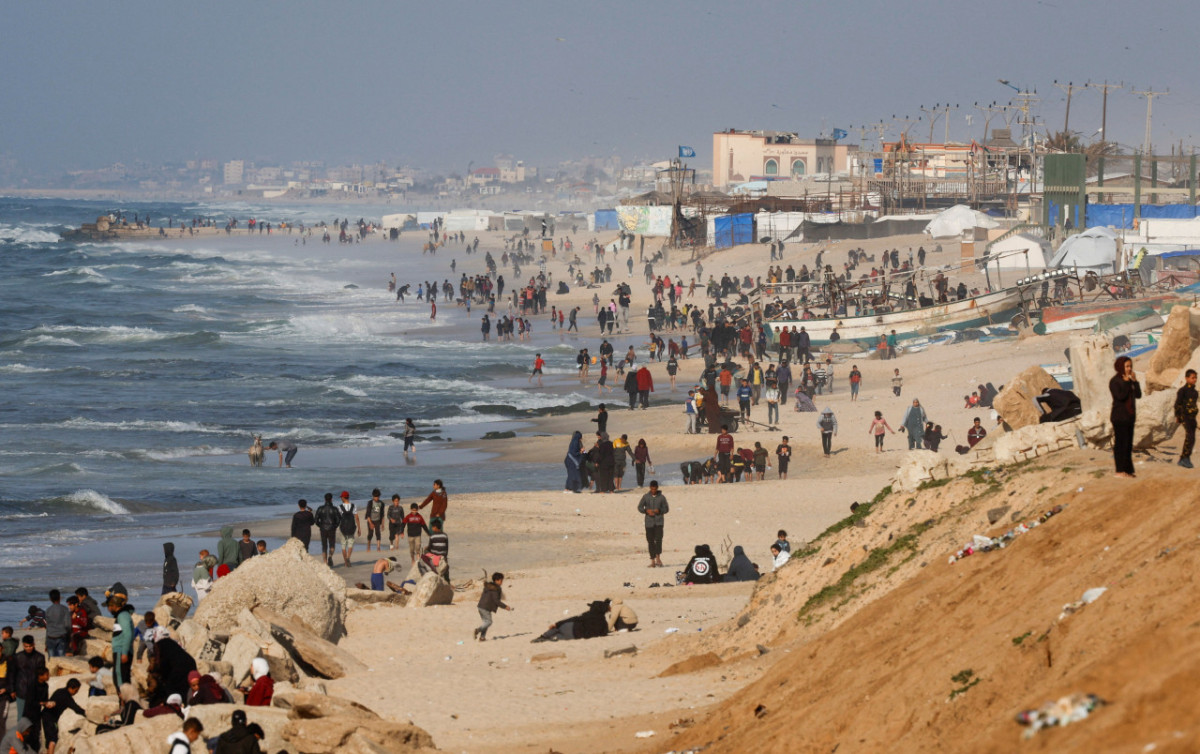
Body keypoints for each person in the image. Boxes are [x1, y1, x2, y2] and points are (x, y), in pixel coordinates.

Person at [1110, 355, 1141, 478]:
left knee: (1128, 444)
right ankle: (1119, 470)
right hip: (1119, 417)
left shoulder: (1129, 380)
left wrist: (1135, 382)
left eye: (1130, 366)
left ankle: (1128, 471)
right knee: (1121, 444)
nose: (1129, 369)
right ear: (1120, 367)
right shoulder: (1115, 381)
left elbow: (1138, 395)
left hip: (1129, 416)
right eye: (1127, 366)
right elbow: (1120, 397)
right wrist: (1128, 383)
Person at [532, 600, 610, 643]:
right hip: (576, 636)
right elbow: (604, 632)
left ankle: (543, 637)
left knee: (557, 628)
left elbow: (574, 619)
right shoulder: (603, 622)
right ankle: (549, 639)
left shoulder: (587, 615)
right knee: (559, 637)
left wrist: (557, 624)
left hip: (573, 628)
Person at [41, 677, 84, 754]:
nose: (76, 692)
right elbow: (77, 709)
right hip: (51, 718)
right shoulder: (67, 697)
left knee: (50, 739)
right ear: (71, 688)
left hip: (45, 716)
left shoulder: (59, 691)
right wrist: (87, 713)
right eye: (76, 690)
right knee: (53, 739)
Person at [106, 584, 134, 689]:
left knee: (119, 680)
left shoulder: (123, 616)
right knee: (123, 678)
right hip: (121, 651)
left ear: (115, 605)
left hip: (120, 651)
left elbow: (128, 634)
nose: (108, 609)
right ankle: (126, 703)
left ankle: (124, 703)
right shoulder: (123, 615)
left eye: (109, 606)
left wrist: (124, 653)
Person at [11, 636, 44, 721]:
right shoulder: (17, 657)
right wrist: (12, 690)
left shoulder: (40, 657)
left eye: (30, 646)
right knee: (21, 716)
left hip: (35, 692)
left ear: (34, 644)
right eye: (26, 646)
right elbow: (13, 674)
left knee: (35, 716)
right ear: (23, 645)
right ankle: (19, 734)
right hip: (21, 690)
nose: (28, 648)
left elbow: (41, 676)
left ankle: (34, 733)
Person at [637, 481, 668, 568]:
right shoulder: (646, 497)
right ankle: (652, 561)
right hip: (649, 523)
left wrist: (660, 511)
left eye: (655, 489)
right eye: (652, 489)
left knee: (658, 540)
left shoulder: (662, 497)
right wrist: (646, 511)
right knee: (650, 541)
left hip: (659, 522)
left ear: (657, 488)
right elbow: (639, 507)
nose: (653, 490)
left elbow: (666, 508)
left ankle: (658, 558)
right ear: (650, 488)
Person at [475, 572, 513, 642]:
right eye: (501, 580)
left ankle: (482, 638)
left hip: (481, 606)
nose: (502, 582)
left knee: (485, 623)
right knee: (489, 622)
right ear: (496, 580)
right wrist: (505, 607)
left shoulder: (488, 586)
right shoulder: (495, 589)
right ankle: (478, 630)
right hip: (485, 607)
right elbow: (496, 601)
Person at [1174, 368, 1198, 469]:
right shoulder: (1182, 391)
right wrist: (1178, 416)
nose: (1195, 379)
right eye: (1192, 378)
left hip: (1192, 418)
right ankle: (1185, 458)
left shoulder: (1195, 392)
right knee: (1190, 437)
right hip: (1185, 417)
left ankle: (1183, 458)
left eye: (1196, 378)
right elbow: (1177, 404)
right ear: (1186, 378)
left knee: (1192, 439)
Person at [314, 493, 341, 567]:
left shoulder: (320, 508)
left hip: (323, 528)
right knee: (332, 545)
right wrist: (335, 526)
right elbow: (338, 519)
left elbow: (316, 520)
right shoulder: (335, 509)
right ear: (331, 499)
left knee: (324, 545)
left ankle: (325, 563)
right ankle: (330, 556)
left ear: (325, 499)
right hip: (332, 528)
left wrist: (320, 525)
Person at [337, 491, 360, 567]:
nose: (341, 498)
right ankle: (348, 557)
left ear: (343, 498)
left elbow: (338, 518)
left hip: (343, 528)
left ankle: (345, 563)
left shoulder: (340, 507)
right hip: (351, 528)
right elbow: (357, 518)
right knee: (350, 544)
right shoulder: (353, 506)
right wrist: (359, 528)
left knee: (343, 546)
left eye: (341, 497)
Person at [44, 590, 69, 658]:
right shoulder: (64, 609)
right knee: (61, 659)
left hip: (50, 637)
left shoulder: (48, 610)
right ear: (60, 597)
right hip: (61, 637)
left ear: (50, 599)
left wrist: (46, 641)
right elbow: (68, 625)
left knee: (52, 659)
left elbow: (47, 627)